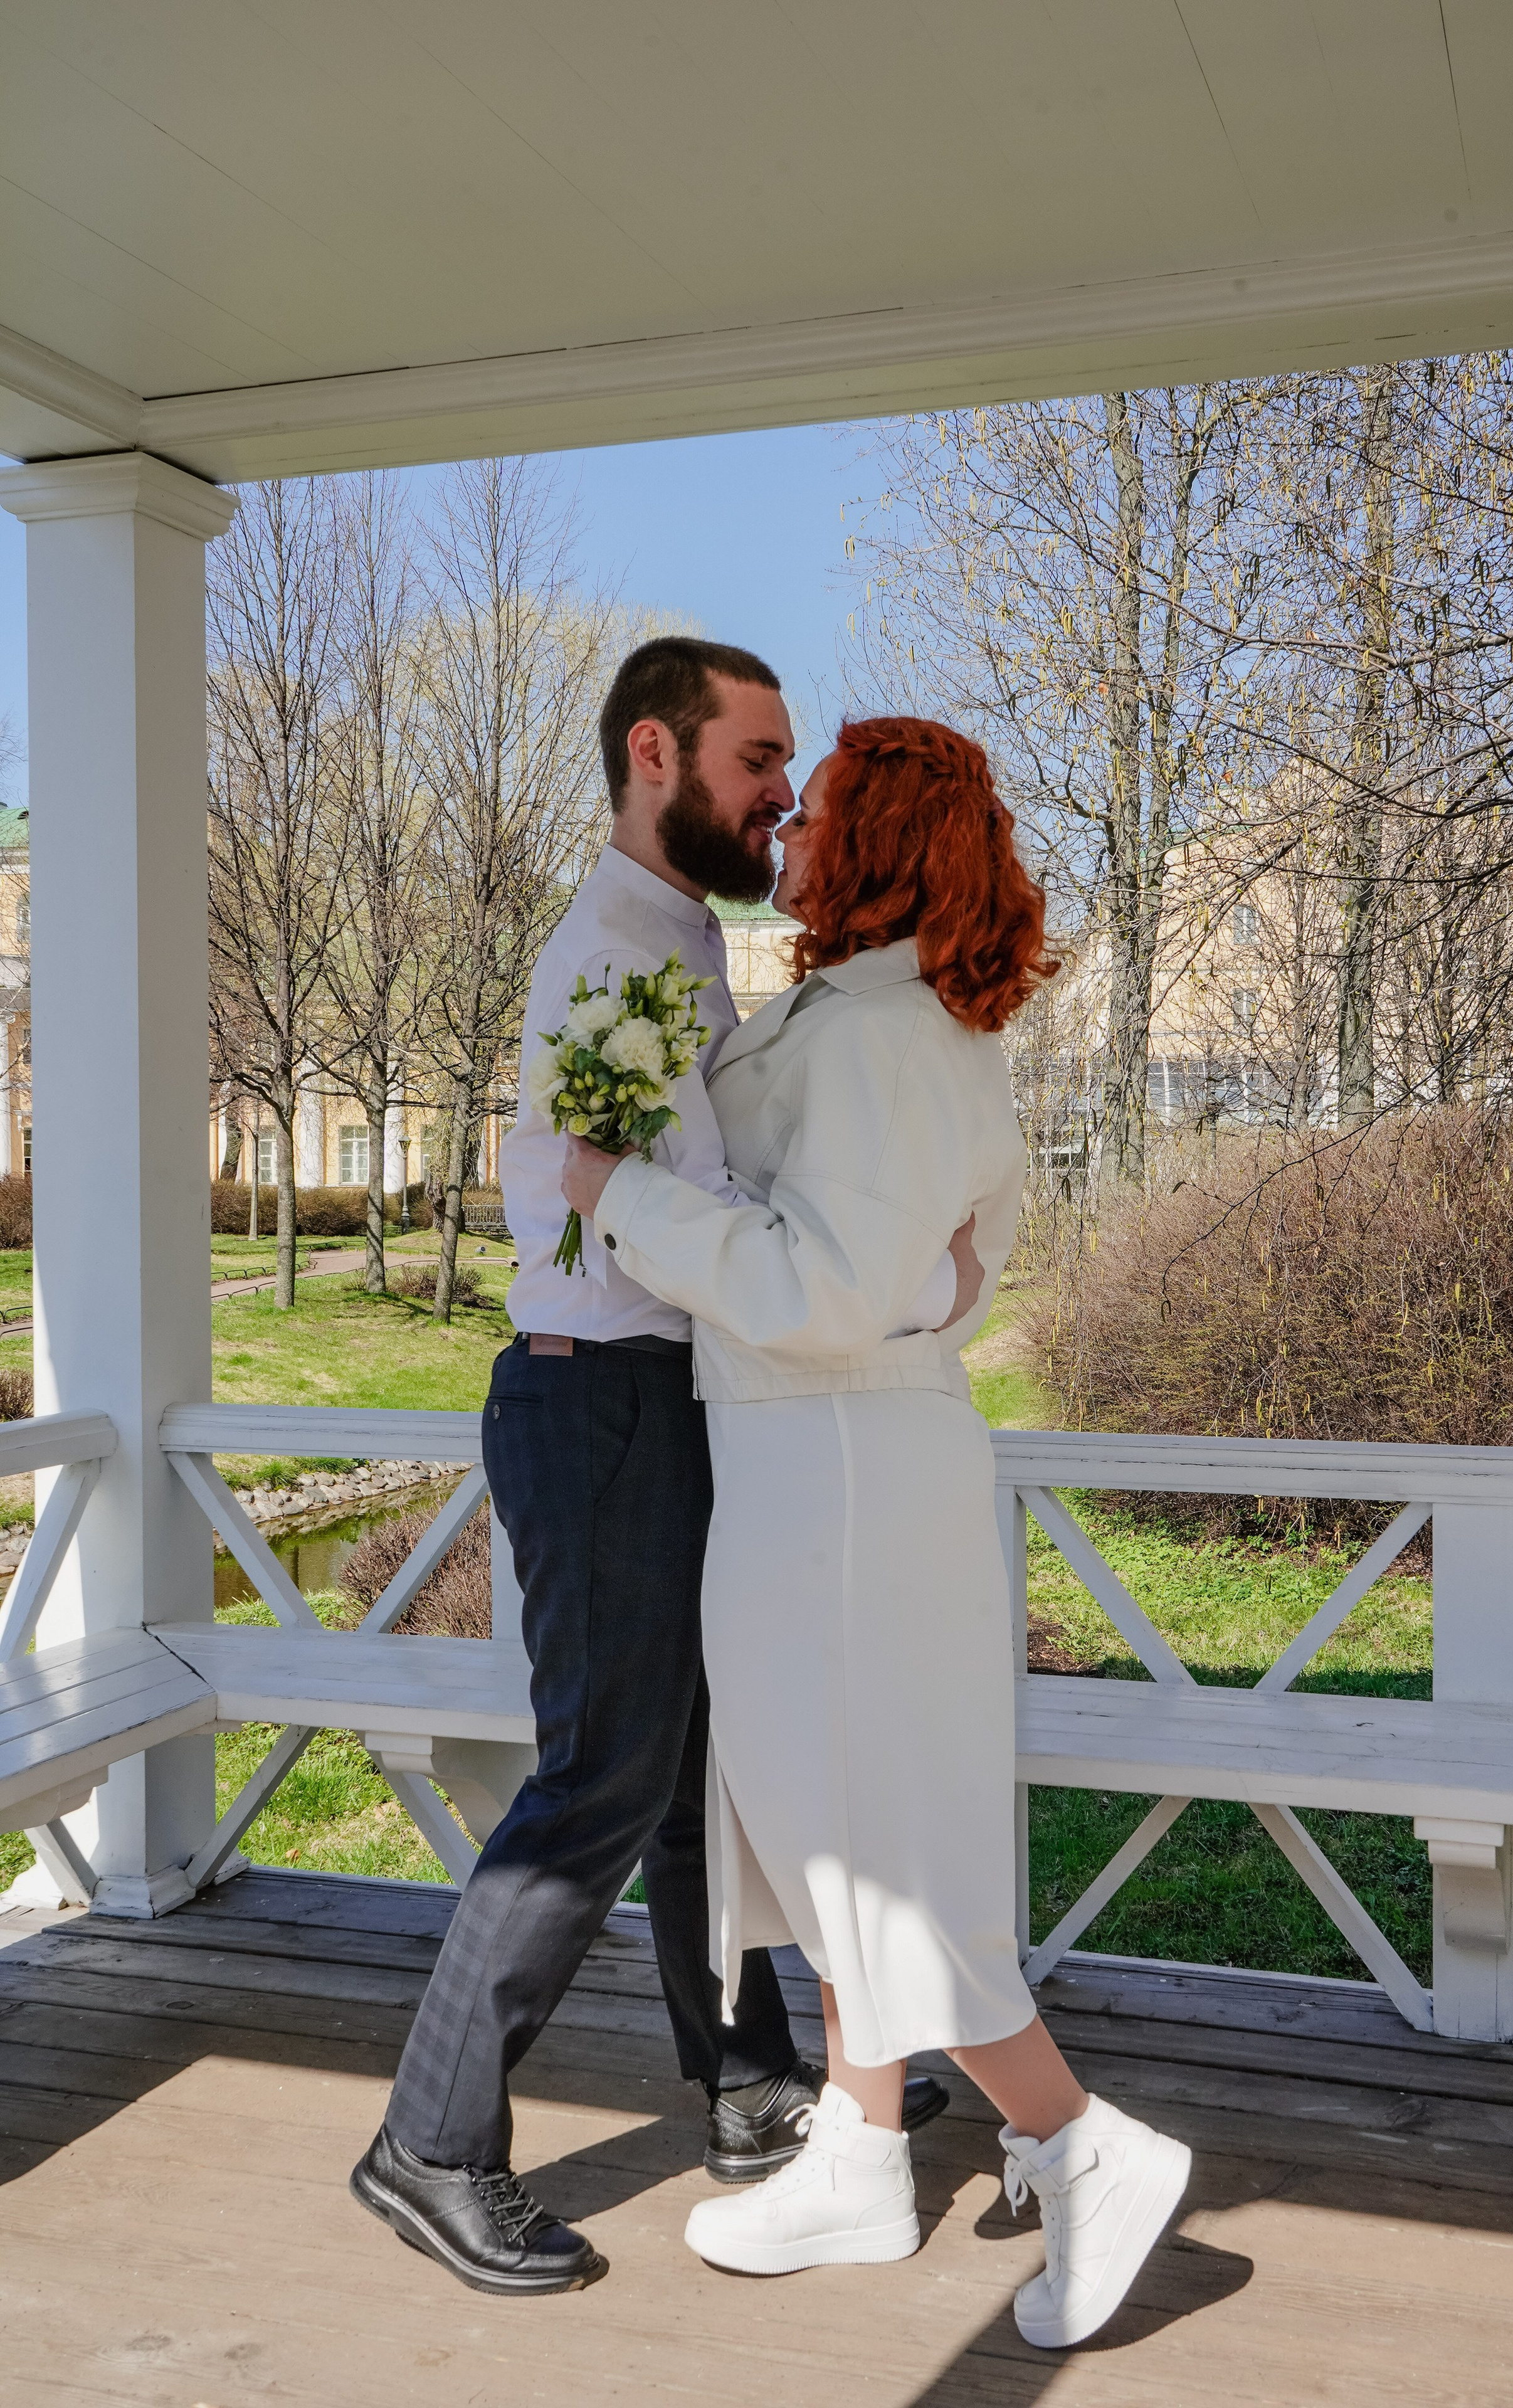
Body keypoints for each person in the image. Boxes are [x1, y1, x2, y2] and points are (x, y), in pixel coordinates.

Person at [561, 717, 1192, 2350]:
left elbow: (832, 1288)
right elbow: (926, 1272)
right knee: (837, 1823)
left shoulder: (881, 1038)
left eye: (822, 810)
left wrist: (619, 1193)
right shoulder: (879, 1019)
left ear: (881, 846)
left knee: (874, 1837)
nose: (790, 826)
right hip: (824, 1459)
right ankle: (858, 2148)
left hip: (835, 1470)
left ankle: (1076, 2139)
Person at [351, 641, 951, 2298]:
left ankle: (750, 2086)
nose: (782, 792)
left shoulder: (679, 937)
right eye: (758, 760)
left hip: (653, 1398)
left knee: (697, 1768)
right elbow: (616, 1207)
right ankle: (431, 2143)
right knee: (603, 1782)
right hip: (602, 1400)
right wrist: (850, 1274)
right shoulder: (616, 954)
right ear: (655, 754)